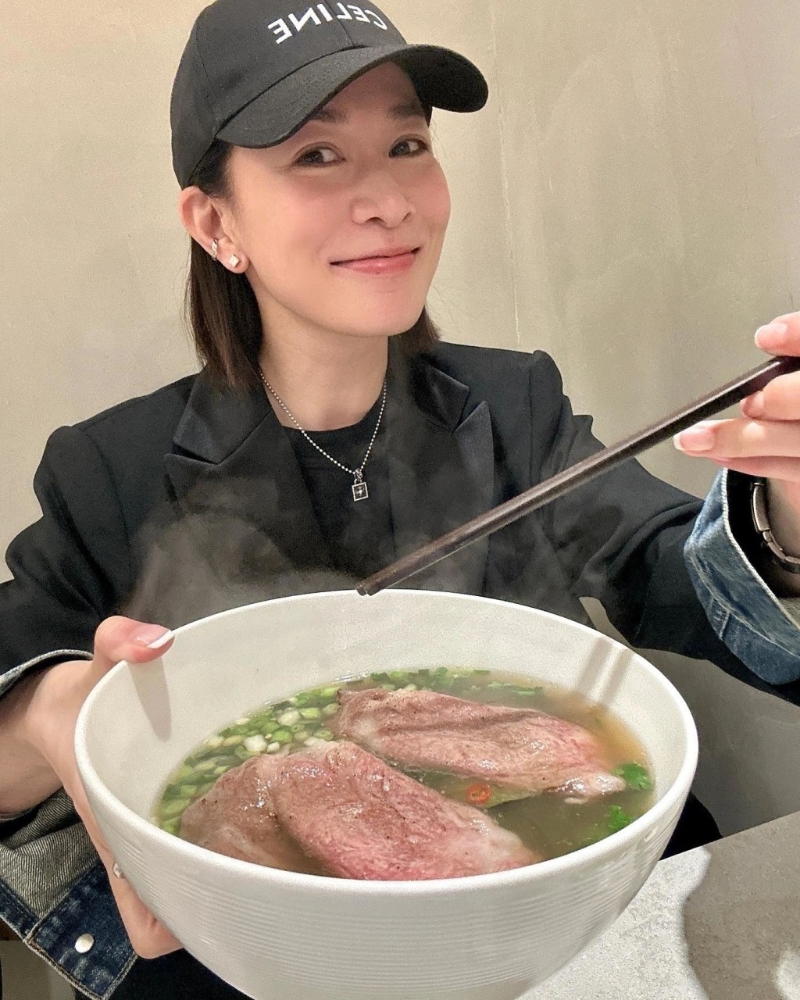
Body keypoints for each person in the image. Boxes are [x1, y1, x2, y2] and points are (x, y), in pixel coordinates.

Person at [2, 1, 800, 997]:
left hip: (558, 930)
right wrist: (46, 713)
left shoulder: (514, 402)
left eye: (407, 144)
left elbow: (668, 568)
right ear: (216, 223)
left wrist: (787, 516)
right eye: (317, 155)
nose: (387, 200)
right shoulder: (110, 467)